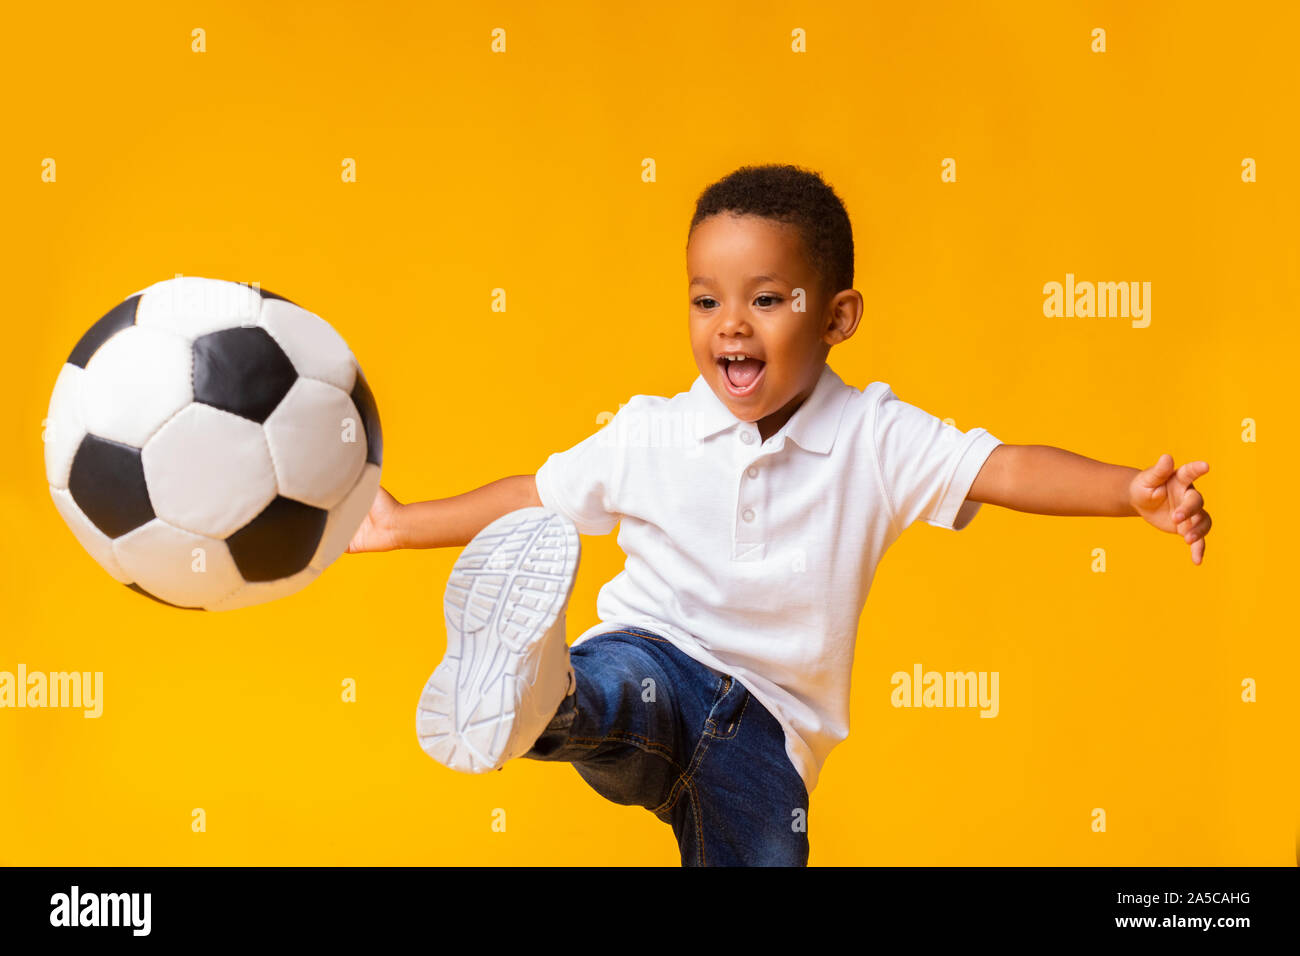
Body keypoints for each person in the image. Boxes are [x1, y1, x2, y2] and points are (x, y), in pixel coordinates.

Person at [345, 164, 1213, 866]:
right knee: (617, 699)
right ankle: (543, 695)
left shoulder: (877, 436)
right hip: (657, 655)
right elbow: (535, 495)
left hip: (770, 738)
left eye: (766, 300)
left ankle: (546, 700)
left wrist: (1127, 491)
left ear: (837, 318)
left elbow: (1004, 466)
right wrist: (401, 522)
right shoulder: (651, 432)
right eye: (705, 300)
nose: (731, 326)